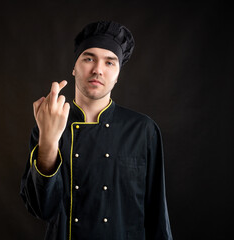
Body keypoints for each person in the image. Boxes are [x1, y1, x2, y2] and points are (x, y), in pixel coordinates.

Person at [20, 20, 173, 240]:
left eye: (109, 63)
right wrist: (48, 142)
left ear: (118, 74)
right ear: (74, 67)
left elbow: (157, 214)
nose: (97, 70)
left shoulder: (143, 129)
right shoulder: (48, 123)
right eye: (89, 58)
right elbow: (42, 209)